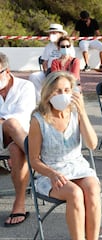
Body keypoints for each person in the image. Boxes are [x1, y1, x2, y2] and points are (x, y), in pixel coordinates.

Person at [27, 71, 101, 239]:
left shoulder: (75, 113)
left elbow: (92, 144)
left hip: (77, 167)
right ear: (48, 93)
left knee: (93, 189)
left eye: (67, 90)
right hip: (50, 173)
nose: (63, 95)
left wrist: (82, 113)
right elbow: (34, 160)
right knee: (75, 193)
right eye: (58, 91)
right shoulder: (38, 119)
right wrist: (51, 173)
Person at [1, 52, 36, 227]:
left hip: (19, 136)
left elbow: (24, 116)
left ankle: (19, 204)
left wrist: (4, 121)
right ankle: (37, 158)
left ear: (6, 71)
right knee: (12, 124)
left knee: (16, 145)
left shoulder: (25, 86)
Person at [29, 23, 68, 103]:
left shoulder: (66, 45)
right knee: (34, 76)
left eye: (54, 33)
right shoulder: (49, 46)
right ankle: (40, 102)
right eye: (50, 33)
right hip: (49, 72)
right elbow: (45, 62)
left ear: (60, 34)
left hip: (62, 72)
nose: (51, 35)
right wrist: (47, 73)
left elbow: (69, 61)